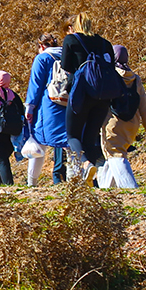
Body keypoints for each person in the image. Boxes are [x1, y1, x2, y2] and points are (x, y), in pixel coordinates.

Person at [60, 13, 122, 183]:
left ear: (74, 26)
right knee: (90, 137)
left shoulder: (71, 40)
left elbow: (66, 65)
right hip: (103, 95)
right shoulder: (105, 43)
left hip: (82, 93)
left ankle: (86, 164)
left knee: (72, 135)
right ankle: (92, 178)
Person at [99, 45, 146, 189]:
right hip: (132, 124)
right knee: (111, 156)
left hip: (112, 124)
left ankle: (131, 188)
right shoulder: (135, 79)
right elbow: (145, 107)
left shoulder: (108, 76)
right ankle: (105, 192)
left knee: (116, 155)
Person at [23, 34, 69, 186]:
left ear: (41, 46)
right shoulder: (68, 55)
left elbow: (35, 85)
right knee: (70, 143)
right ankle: (75, 180)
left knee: (38, 144)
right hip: (68, 103)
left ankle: (32, 182)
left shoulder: (42, 58)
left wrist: (29, 107)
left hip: (48, 105)